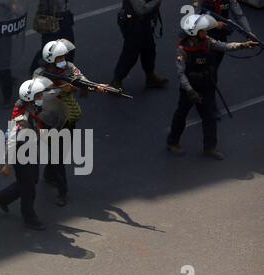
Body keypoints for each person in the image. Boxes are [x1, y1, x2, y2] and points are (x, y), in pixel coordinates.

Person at [166, 14, 258, 160]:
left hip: (207, 85)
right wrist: (190, 91)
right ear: (195, 33)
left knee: (209, 118)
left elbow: (224, 46)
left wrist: (243, 45)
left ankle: (210, 148)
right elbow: (181, 74)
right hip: (190, 89)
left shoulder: (207, 41)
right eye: (203, 30)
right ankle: (172, 142)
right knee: (181, 115)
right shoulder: (183, 50)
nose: (206, 32)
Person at [34, 39, 106, 206]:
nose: (63, 61)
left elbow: (81, 79)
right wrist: (60, 89)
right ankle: (62, 191)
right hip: (49, 119)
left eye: (63, 57)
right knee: (58, 157)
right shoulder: (39, 73)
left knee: (61, 153)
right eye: (60, 58)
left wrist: (94, 86)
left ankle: (49, 174)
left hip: (68, 118)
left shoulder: (69, 68)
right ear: (51, 60)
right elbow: (39, 96)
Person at [0, 77, 54, 231]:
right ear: (30, 99)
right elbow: (12, 140)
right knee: (29, 189)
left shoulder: (31, 107)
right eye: (39, 96)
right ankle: (29, 218)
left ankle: (2, 197)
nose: (41, 98)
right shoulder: (21, 119)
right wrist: (8, 165)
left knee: (31, 180)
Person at [110, 0, 168, 92]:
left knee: (149, 49)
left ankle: (150, 76)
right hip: (132, 23)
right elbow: (141, 9)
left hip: (142, 21)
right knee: (131, 53)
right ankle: (116, 81)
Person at [29, 0, 75, 75]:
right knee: (49, 50)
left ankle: (61, 71)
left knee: (69, 49)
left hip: (64, 18)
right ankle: (35, 70)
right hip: (51, 21)